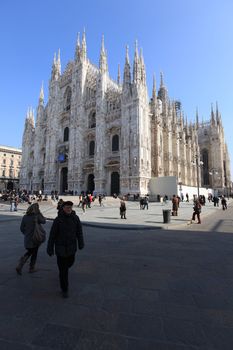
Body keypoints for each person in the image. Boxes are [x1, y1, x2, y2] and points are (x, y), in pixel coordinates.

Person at [47, 201, 84, 298]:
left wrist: (81, 243)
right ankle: (64, 288)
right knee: (63, 270)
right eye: (67, 207)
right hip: (60, 248)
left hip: (71, 247)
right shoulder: (58, 220)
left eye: (70, 208)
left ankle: (63, 273)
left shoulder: (75, 218)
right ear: (63, 208)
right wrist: (50, 248)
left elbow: (79, 232)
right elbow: (52, 235)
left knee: (70, 263)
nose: (69, 209)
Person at [16, 203, 46, 275]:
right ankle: (28, 267)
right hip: (36, 238)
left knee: (31, 252)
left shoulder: (25, 217)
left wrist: (26, 234)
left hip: (27, 239)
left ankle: (27, 266)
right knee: (33, 252)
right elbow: (44, 221)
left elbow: (21, 228)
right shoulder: (37, 216)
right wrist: (39, 213)